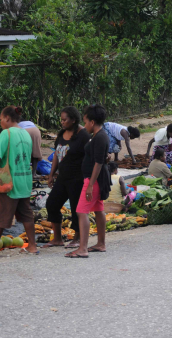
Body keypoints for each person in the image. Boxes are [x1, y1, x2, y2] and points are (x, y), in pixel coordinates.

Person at [0, 106, 37, 257]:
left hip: (9, 181)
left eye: (1, 119)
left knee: (1, 214)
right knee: (26, 213)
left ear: (7, 118)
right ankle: (32, 246)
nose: (0, 122)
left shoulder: (6, 134)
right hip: (25, 180)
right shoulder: (26, 134)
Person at [66, 104, 110, 258]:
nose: (84, 126)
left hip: (93, 180)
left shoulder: (99, 137)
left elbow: (98, 163)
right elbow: (102, 157)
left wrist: (90, 184)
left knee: (81, 211)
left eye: (85, 122)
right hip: (96, 178)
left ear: (92, 122)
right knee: (98, 210)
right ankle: (101, 243)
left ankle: (82, 248)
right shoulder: (100, 136)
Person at [44, 107, 90, 249]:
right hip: (62, 178)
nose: (62, 122)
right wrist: (52, 174)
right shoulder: (62, 133)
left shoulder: (83, 135)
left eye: (65, 120)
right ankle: (57, 238)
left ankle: (77, 238)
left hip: (77, 178)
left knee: (77, 209)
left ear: (73, 120)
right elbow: (57, 154)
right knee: (52, 204)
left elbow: (90, 155)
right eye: (61, 120)